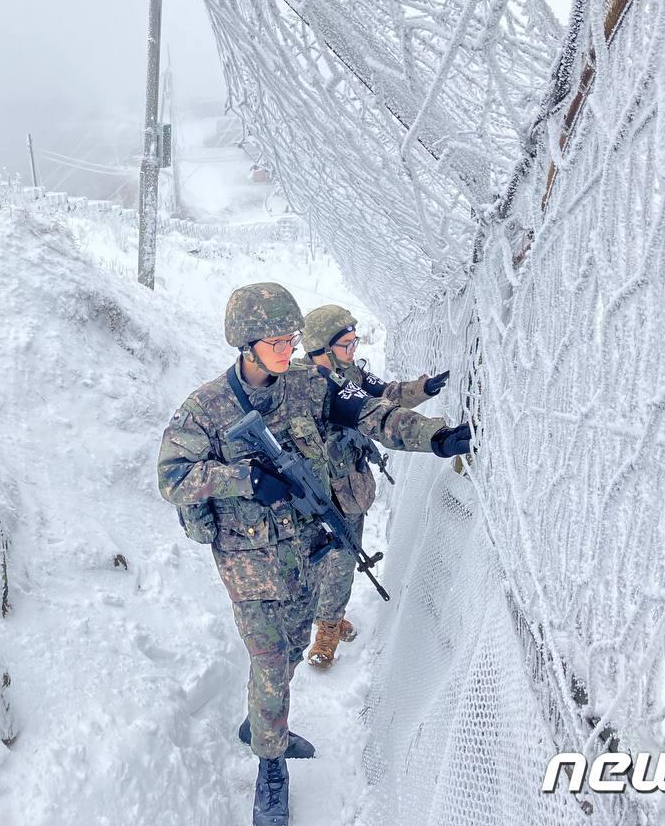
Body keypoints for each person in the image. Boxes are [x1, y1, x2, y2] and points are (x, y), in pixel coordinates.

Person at [156, 283, 472, 826]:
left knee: (295, 645)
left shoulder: (309, 384)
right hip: (248, 561)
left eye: (292, 338)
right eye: (276, 341)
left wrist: (435, 436)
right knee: (271, 660)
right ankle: (270, 768)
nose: (287, 349)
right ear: (244, 344)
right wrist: (245, 479)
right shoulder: (205, 408)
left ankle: (261, 723)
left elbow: (371, 414)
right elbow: (172, 477)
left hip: (304, 551)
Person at [294, 304, 451, 668]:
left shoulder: (350, 375)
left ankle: (329, 623)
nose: (353, 352)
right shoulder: (297, 384)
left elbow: (386, 398)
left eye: (355, 343)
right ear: (320, 348)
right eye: (346, 345)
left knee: (343, 557)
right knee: (315, 562)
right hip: (307, 490)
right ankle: (324, 621)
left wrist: (423, 389)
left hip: (347, 487)